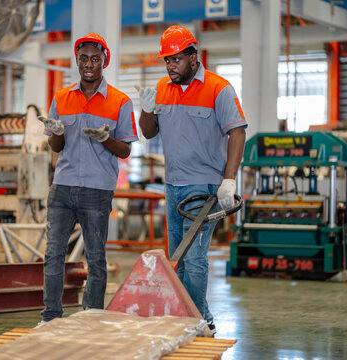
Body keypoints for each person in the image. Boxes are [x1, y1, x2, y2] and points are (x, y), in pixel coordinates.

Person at [137, 25, 247, 334]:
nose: (171, 66)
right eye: (167, 61)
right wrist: (145, 110)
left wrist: (229, 180)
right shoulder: (162, 88)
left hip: (205, 187)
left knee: (195, 258)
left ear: (193, 57)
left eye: (176, 60)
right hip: (172, 185)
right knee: (180, 258)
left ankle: (200, 320)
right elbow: (148, 131)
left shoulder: (218, 88)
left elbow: (237, 132)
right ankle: (190, 318)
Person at [37, 33, 138, 325]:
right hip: (63, 187)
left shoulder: (120, 102)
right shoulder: (62, 99)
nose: (89, 64)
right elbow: (56, 147)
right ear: (77, 61)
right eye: (83, 58)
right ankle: (51, 317)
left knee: (96, 259)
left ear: (104, 61)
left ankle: (91, 319)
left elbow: (126, 150)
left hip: (97, 190)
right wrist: (57, 132)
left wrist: (106, 139)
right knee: (54, 254)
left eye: (95, 58)